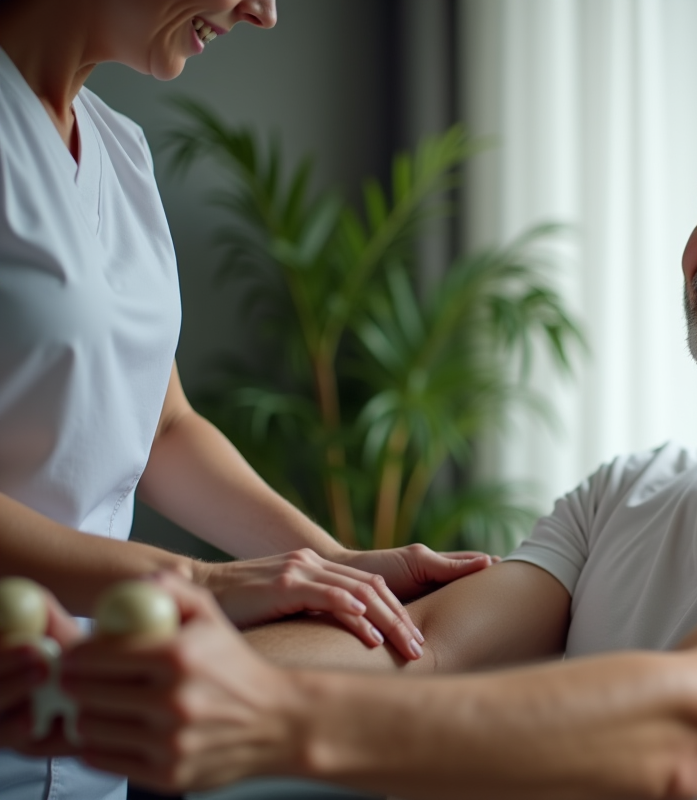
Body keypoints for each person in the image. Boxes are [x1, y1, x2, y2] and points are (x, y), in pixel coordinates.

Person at [1, 35, 697, 800]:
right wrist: (102, 689)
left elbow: (689, 727)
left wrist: (269, 716)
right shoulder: (627, 495)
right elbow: (417, 653)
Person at [0, 2, 494, 798]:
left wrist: (334, 566)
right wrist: (201, 584)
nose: (263, 11)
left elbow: (162, 426)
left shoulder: (120, 150)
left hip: (86, 728)